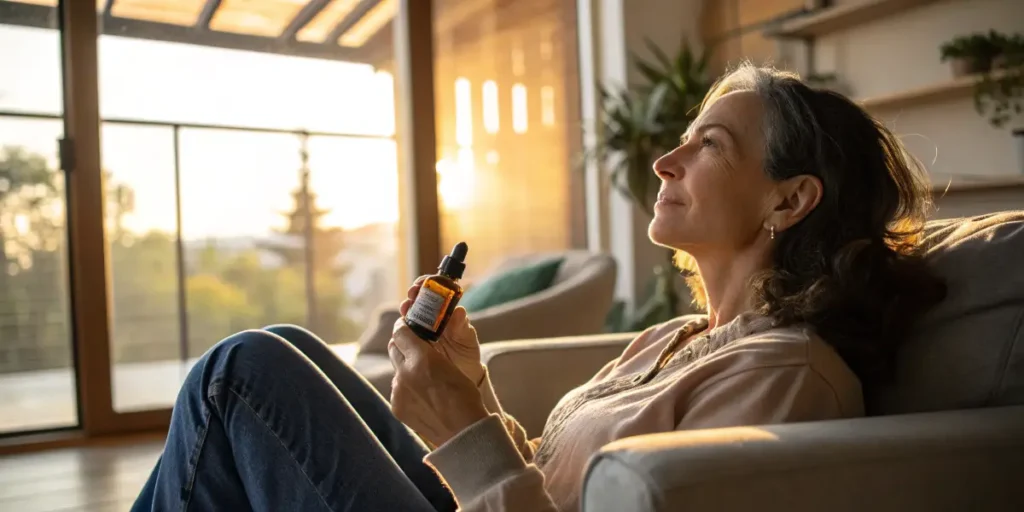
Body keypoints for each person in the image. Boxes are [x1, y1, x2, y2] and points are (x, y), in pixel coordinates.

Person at [131, 63, 946, 512]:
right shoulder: (672, 340)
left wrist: (465, 432)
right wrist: (469, 392)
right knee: (284, 352)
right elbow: (554, 483)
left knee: (244, 375)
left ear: (789, 198)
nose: (665, 161)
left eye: (710, 145)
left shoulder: (787, 377)